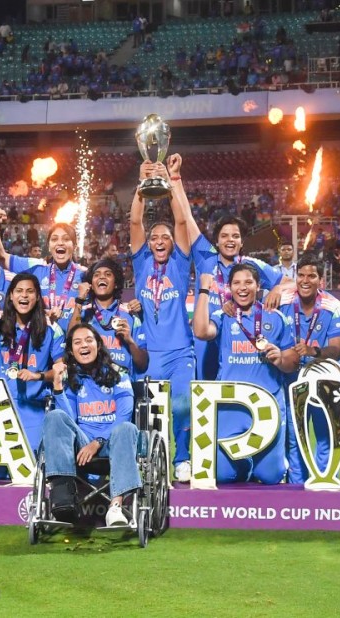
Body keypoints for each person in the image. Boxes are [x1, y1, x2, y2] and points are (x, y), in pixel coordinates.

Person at [193, 263, 298, 484]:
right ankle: (245, 465)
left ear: (258, 286)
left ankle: (266, 465)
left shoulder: (276, 317)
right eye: (237, 283)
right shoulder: (224, 315)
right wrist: (204, 289)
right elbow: (201, 331)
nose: (243, 288)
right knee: (223, 475)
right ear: (229, 287)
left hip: (267, 407)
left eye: (248, 282)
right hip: (231, 407)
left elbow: (293, 363)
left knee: (271, 476)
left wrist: (280, 358)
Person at [128, 156, 196, 482]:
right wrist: (141, 188)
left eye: (164, 238)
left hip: (181, 351)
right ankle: (149, 461)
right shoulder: (141, 267)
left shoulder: (180, 266)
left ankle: (183, 458)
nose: (158, 241)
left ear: (172, 244)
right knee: (149, 414)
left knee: (182, 405)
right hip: (150, 355)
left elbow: (181, 224)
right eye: (153, 238)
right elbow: (133, 225)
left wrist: (169, 186)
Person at [42, 324, 142, 526]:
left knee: (127, 428)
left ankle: (115, 508)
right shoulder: (71, 377)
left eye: (88, 340)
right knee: (54, 416)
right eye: (77, 342)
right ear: (70, 350)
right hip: (82, 443)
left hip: (113, 441)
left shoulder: (118, 374)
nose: (84, 345)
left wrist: (98, 442)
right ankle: (63, 492)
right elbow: (67, 420)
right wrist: (59, 387)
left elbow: (124, 415)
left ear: (98, 344)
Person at [0, 273, 65, 475]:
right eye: (19, 291)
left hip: (32, 411)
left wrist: (38, 376)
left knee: (30, 475)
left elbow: (61, 372)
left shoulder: (52, 329)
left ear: (38, 297)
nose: (24, 296)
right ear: (11, 296)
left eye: (30, 291)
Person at [188, 213, 284, 381]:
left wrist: (277, 288)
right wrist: (176, 186)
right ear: (216, 241)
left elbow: (289, 282)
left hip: (237, 341)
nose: (230, 240)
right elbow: (186, 219)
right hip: (207, 339)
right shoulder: (206, 259)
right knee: (205, 393)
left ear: (242, 242)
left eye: (236, 236)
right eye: (224, 236)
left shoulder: (250, 264)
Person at [277, 254, 340, 483]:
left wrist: (313, 351)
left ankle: (323, 481)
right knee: (294, 435)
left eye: (312, 276)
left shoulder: (332, 306)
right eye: (302, 275)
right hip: (289, 377)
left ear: (321, 281)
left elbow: (337, 349)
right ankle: (297, 484)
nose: (305, 280)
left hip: (321, 378)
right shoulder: (283, 300)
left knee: (324, 432)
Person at [0, 211, 86, 327]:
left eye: (66, 239)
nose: (60, 243)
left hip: (74, 342)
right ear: (49, 246)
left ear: (74, 246)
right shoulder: (37, 270)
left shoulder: (85, 276)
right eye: (54, 239)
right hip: (42, 342)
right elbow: (2, 256)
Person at [70, 257, 147, 376]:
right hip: (89, 384)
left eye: (108, 274)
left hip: (121, 387)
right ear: (91, 284)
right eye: (96, 275)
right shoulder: (82, 313)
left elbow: (143, 364)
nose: (101, 277)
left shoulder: (130, 315)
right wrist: (79, 300)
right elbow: (70, 340)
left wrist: (130, 341)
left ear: (116, 284)